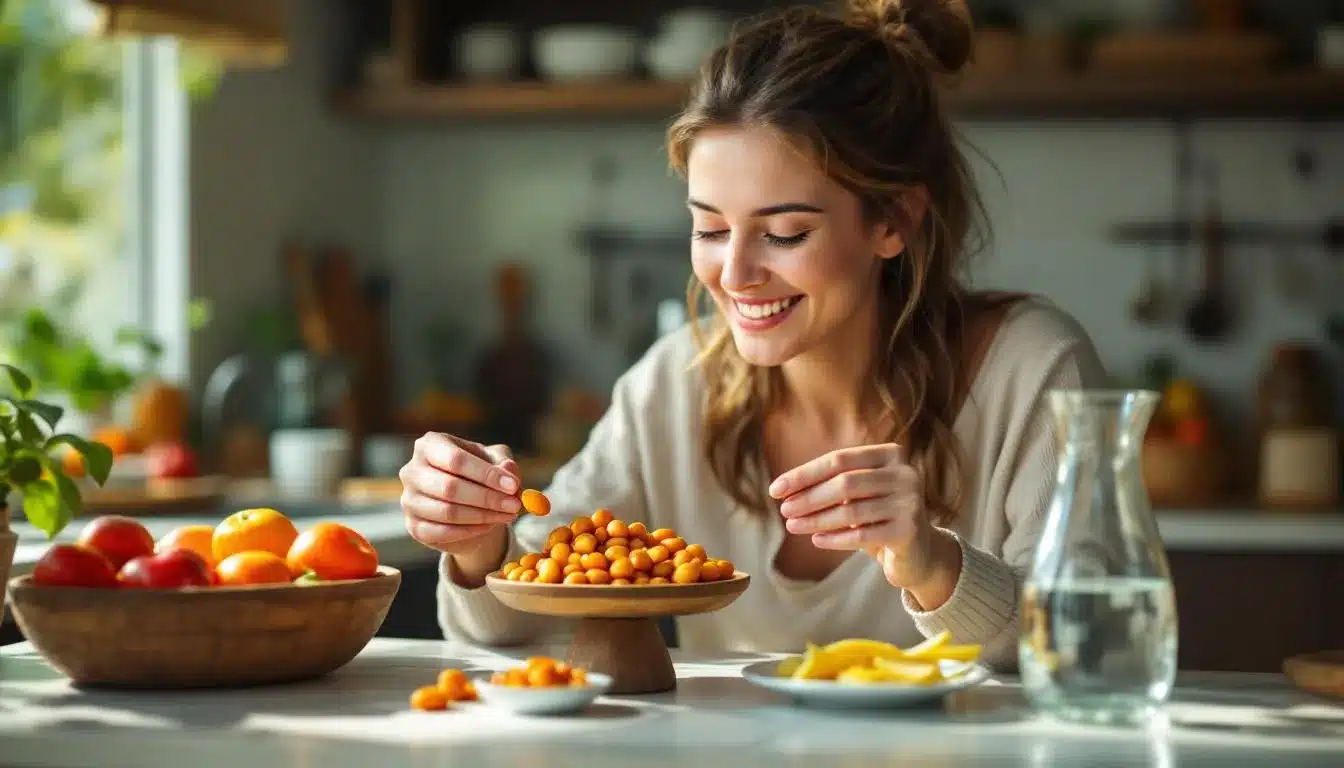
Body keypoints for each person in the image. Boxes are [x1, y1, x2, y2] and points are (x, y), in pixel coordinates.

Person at [399, 0, 1108, 670]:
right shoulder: (673, 386)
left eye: (784, 233)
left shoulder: (1033, 369)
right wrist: (477, 544)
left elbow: (1088, 648)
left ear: (893, 221)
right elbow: (513, 626)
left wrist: (930, 563)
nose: (735, 273)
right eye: (709, 228)